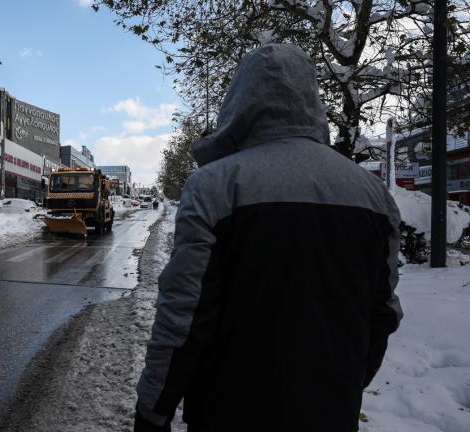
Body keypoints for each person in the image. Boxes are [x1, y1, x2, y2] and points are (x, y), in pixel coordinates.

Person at [134, 44, 403, 432]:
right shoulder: (374, 195)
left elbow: (184, 318)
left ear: (240, 101)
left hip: (229, 411)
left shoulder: (216, 186)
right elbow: (383, 311)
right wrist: (344, 383)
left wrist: (152, 411)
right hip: (332, 411)